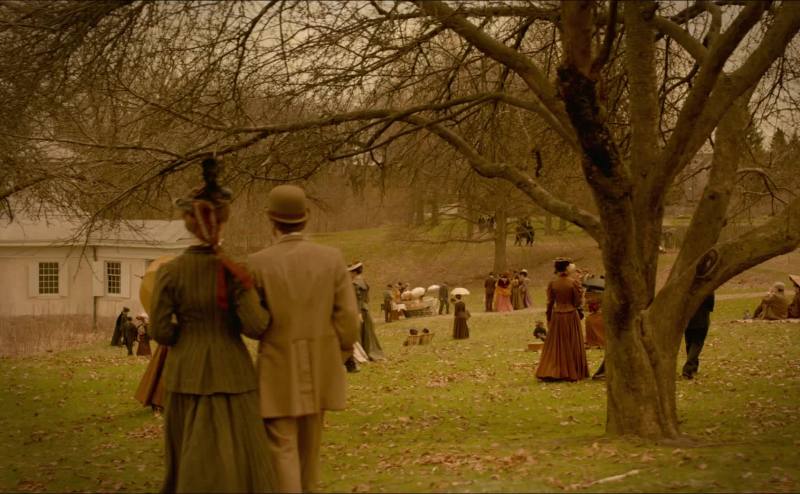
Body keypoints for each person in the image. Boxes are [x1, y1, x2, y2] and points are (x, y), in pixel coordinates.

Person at [150, 157, 276, 493]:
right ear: (222, 221)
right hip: (231, 371)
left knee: (189, 453)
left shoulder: (169, 272)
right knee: (238, 455)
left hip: (185, 372)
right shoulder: (235, 271)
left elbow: (160, 331)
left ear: (189, 224)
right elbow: (256, 326)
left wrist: (187, 335)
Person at [249, 184, 360, 493]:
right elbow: (348, 317)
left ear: (271, 219)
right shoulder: (331, 258)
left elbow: (254, 323)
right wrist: (340, 352)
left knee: (281, 448)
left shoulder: (257, 263)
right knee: (310, 452)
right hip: (321, 362)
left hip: (276, 365)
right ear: (306, 217)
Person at [536, 258, 589, 381]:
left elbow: (550, 303)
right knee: (572, 342)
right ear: (566, 268)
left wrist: (549, 317)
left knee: (557, 344)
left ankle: (553, 370)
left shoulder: (553, 283)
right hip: (571, 315)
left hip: (558, 316)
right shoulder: (573, 283)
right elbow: (577, 302)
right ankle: (573, 371)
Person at [349, 262, 385, 361]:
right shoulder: (363, 281)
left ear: (354, 272)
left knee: (358, 333)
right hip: (365, 309)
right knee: (367, 332)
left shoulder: (355, 283)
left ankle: (362, 355)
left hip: (359, 310)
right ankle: (370, 352)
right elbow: (366, 299)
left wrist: (358, 313)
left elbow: (358, 299)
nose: (349, 274)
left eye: (350, 272)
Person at [682, 293, 715, 380]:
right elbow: (710, 302)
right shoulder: (706, 287)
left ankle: (694, 367)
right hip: (701, 318)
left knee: (689, 343)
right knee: (696, 344)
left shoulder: (688, 288)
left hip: (688, 319)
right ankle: (688, 368)